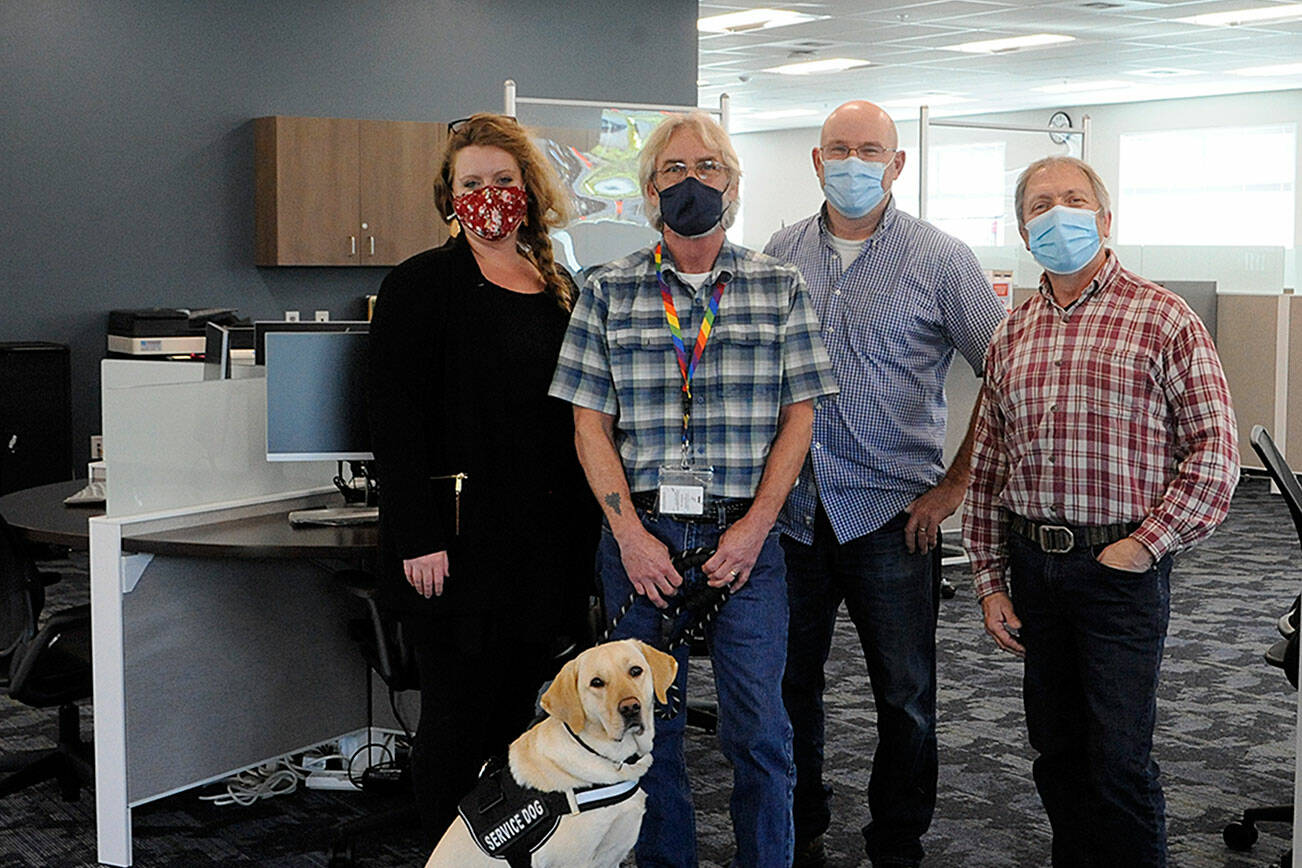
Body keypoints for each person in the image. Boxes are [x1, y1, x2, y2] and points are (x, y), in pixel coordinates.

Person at [549, 111, 838, 868]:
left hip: (745, 540)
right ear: (650, 191)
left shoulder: (779, 286)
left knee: (760, 729)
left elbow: (801, 419)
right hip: (641, 540)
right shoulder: (606, 290)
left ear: (732, 185)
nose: (692, 182)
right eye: (673, 170)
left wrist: (755, 528)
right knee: (646, 731)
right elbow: (588, 426)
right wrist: (629, 537)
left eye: (708, 167)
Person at [964, 155, 1239, 867]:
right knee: (1056, 753)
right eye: (1041, 205)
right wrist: (990, 582)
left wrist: (1145, 545)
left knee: (1118, 761)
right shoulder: (1011, 333)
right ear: (1024, 231)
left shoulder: (1163, 318)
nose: (1059, 214)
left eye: (1074, 200)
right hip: (1035, 567)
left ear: (1105, 218)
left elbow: (1215, 451)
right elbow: (989, 469)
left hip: (1119, 569)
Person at [764, 100, 1006, 868]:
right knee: (787, 688)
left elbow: (1007, 373)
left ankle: (897, 843)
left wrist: (956, 485)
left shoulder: (942, 259)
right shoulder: (780, 252)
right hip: (793, 513)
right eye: (839, 149)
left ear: (898, 164)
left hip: (893, 516)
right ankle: (798, 828)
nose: (853, 162)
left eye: (870, 150)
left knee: (904, 698)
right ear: (817, 160)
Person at [367, 113, 597, 844]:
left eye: (503, 179)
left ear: (529, 190)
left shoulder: (557, 284)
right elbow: (393, 421)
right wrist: (417, 535)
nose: (488, 195)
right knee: (455, 724)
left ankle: (499, 850)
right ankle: (447, 854)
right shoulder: (420, 284)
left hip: (542, 546)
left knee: (514, 725)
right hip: (456, 548)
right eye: (472, 183)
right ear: (450, 196)